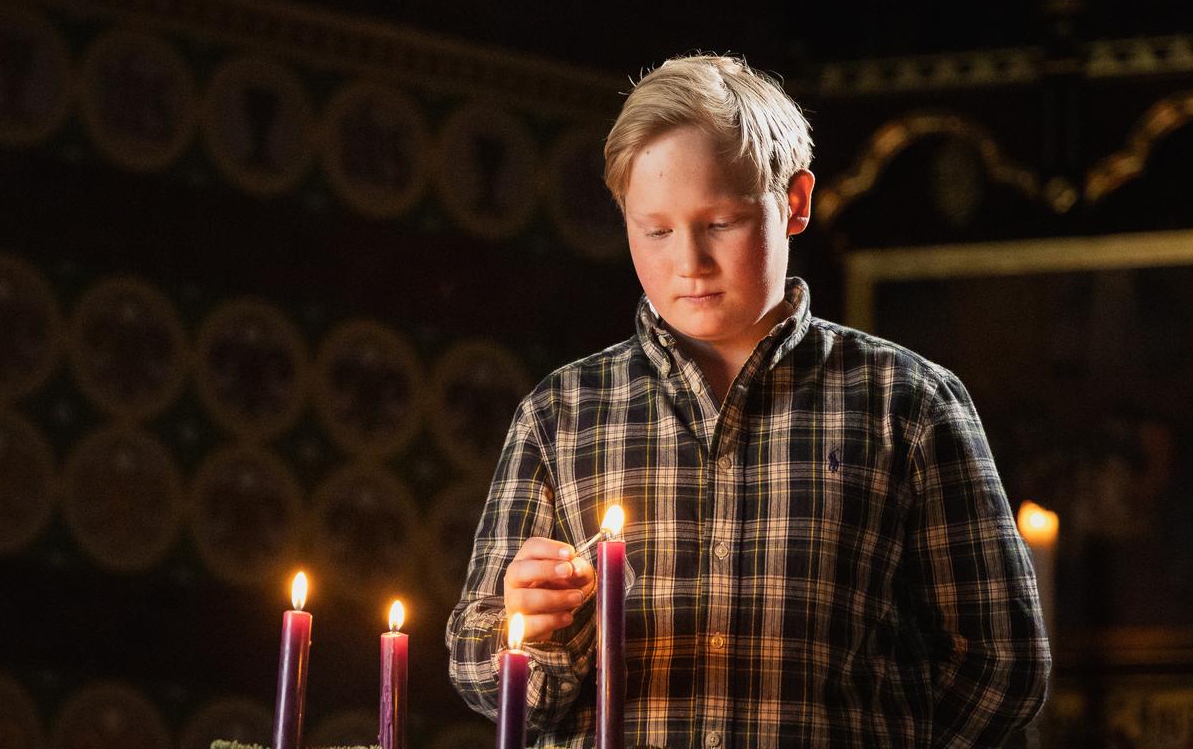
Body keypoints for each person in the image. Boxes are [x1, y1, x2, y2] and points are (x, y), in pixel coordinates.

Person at [445, 54, 1050, 747]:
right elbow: (479, 669)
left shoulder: (908, 404)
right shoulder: (562, 413)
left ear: (794, 202)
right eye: (657, 231)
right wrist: (536, 631)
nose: (689, 262)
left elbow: (1001, 668)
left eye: (721, 223)